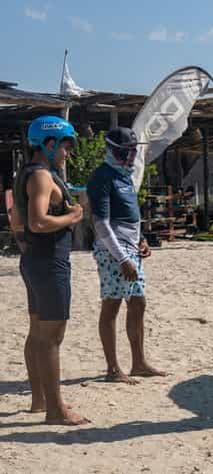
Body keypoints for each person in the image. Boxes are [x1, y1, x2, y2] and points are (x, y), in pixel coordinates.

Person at [11, 115, 88, 425]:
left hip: (34, 261)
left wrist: (27, 249)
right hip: (49, 263)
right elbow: (37, 221)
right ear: (49, 143)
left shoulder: (24, 174)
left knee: (36, 333)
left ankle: (39, 401)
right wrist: (74, 217)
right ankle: (55, 410)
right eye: (65, 147)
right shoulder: (42, 177)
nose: (66, 153)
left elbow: (18, 225)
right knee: (52, 337)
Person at [87, 127, 166, 384]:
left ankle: (139, 362)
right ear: (114, 149)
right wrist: (122, 258)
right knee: (112, 305)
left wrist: (141, 240)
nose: (132, 155)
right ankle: (112, 368)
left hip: (131, 249)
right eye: (127, 150)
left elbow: (130, 216)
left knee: (138, 302)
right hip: (113, 251)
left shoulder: (125, 176)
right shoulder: (102, 176)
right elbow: (101, 223)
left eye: (134, 150)